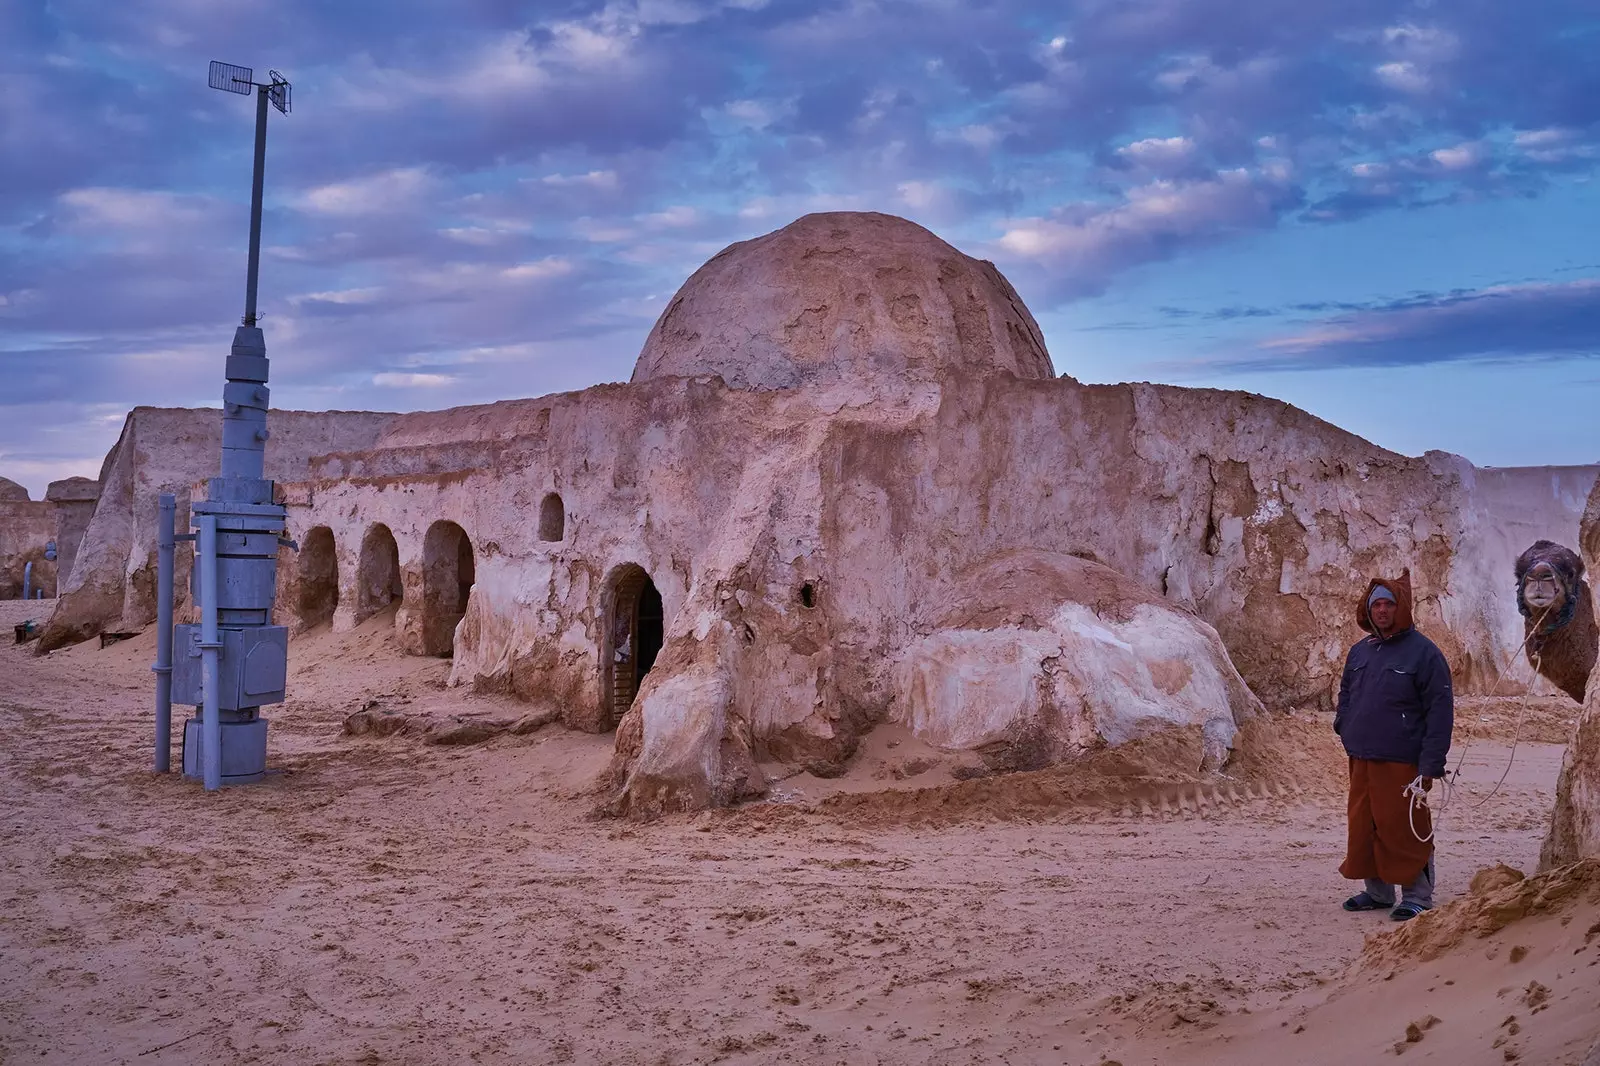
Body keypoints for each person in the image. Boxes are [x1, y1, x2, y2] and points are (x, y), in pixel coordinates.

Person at [1333, 573, 1454, 921]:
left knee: (1404, 827)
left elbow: (1440, 709)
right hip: (1362, 757)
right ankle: (1378, 892)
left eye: (1388, 604)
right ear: (1368, 610)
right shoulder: (1360, 651)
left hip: (1403, 761)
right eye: (1377, 604)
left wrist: (1432, 762)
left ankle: (1417, 896)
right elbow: (1346, 693)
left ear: (1400, 609)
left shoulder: (1425, 653)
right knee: (1365, 824)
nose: (1382, 610)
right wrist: (1344, 724)